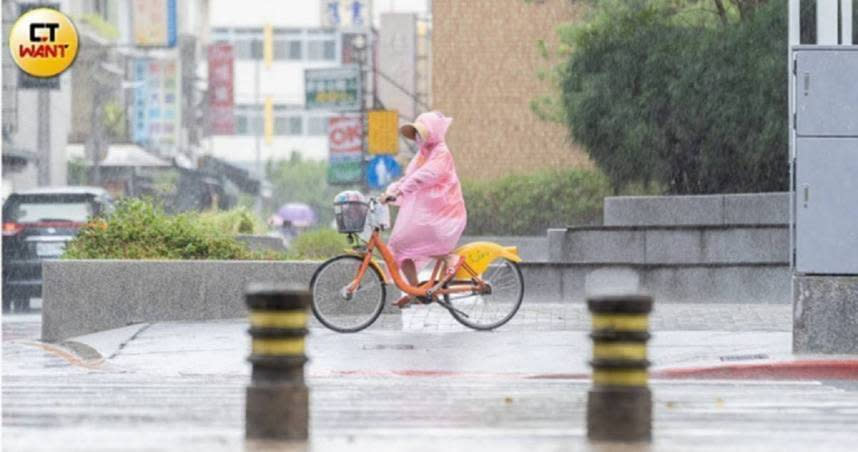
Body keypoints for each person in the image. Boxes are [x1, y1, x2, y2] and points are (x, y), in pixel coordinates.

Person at [381, 111, 467, 308]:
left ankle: (448, 258)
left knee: (407, 243)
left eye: (422, 132)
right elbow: (408, 177)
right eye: (417, 134)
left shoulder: (441, 153)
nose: (419, 138)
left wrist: (400, 191)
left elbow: (424, 176)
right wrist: (390, 192)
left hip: (444, 215)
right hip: (429, 215)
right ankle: (415, 290)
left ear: (434, 132)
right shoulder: (423, 155)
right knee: (398, 248)